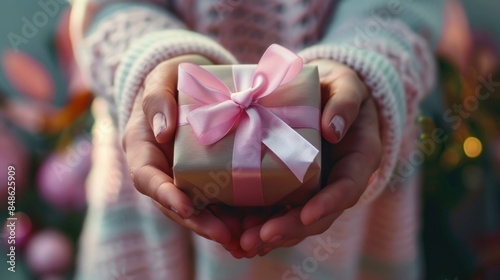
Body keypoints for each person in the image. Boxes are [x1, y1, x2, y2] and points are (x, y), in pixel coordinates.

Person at [70, 0, 452, 279]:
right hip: (156, 154)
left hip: (347, 149)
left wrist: (366, 65)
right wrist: (150, 58)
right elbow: (107, 8)